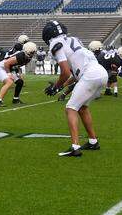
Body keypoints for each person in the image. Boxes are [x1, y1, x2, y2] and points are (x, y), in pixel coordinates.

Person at [42, 20, 107, 157]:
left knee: (71, 108)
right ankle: (93, 141)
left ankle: (75, 147)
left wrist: (56, 87)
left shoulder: (55, 43)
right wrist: (59, 86)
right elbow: (75, 75)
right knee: (82, 108)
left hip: (89, 75)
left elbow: (65, 72)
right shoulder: (74, 39)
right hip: (100, 73)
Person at [0, 36, 35, 106]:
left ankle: (15, 99)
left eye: (33, 52)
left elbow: (17, 65)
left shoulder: (27, 57)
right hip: (1, 68)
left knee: (20, 82)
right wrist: (9, 73)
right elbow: (6, 63)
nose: (32, 54)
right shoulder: (20, 56)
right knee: (9, 82)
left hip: (9, 68)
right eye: (30, 52)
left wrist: (17, 73)